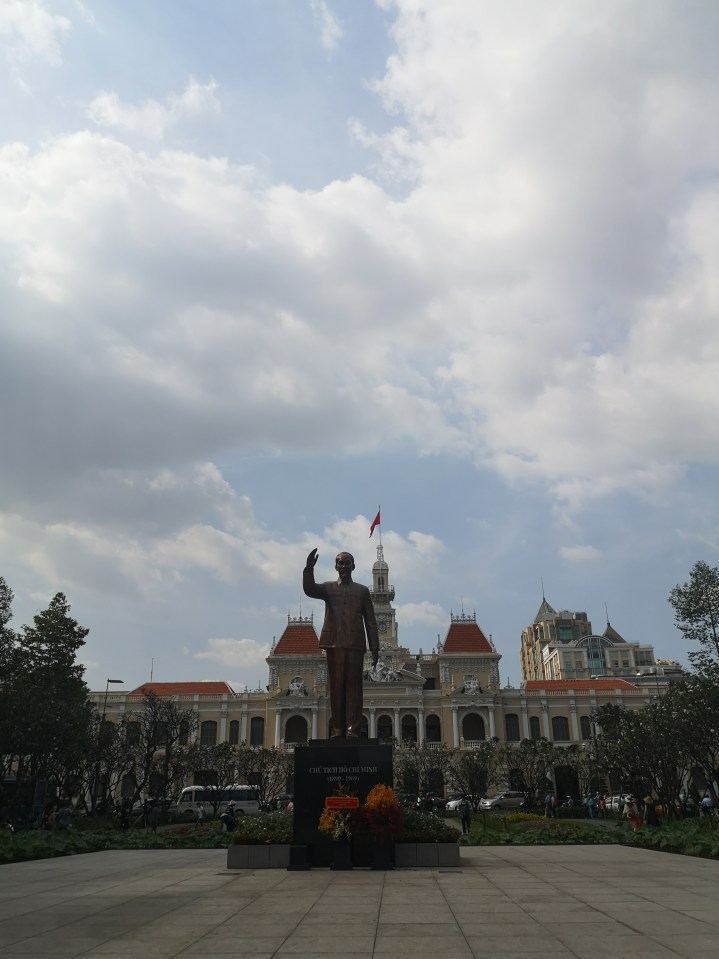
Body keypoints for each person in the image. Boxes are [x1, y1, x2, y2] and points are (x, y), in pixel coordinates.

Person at [303, 549, 380, 739]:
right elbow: (310, 590)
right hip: (334, 643)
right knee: (336, 687)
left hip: (355, 643)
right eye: (340, 563)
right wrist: (308, 570)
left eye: (347, 563)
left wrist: (375, 647)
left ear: (353, 566)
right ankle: (337, 730)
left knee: (354, 687)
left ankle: (353, 730)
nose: (344, 566)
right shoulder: (328, 588)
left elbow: (370, 620)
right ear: (336, 567)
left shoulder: (361, 591)